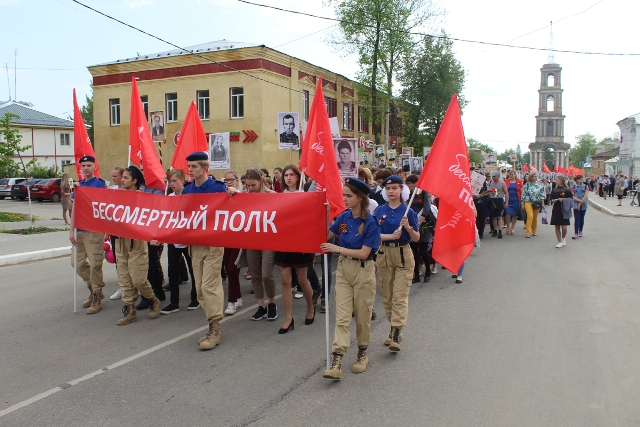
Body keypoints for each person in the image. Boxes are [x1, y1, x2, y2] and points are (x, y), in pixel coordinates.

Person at [321, 178, 381, 380]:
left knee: (362, 317)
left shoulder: (370, 222)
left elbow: (365, 253)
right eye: (344, 195)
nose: (344, 199)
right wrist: (326, 214)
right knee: (342, 317)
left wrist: (337, 248)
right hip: (344, 270)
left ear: (360, 198)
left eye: (348, 195)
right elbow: (325, 236)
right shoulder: (343, 217)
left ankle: (362, 352)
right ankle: (337, 360)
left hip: (363, 271)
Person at [182, 152, 228, 350]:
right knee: (200, 289)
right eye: (189, 166)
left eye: (193, 167)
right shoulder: (187, 190)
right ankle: (211, 325)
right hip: (196, 244)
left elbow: (233, 208)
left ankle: (215, 329)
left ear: (204, 168)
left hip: (213, 243)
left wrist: (233, 194)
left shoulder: (218, 188)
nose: (190, 170)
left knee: (210, 286)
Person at [374, 175, 420, 352]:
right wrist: (389, 236)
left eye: (395, 188)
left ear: (402, 189)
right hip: (384, 254)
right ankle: (394, 326)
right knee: (387, 296)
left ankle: (395, 332)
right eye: (388, 188)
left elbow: (415, 238)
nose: (391, 191)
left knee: (400, 296)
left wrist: (408, 227)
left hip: (403, 254)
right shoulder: (379, 211)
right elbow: (374, 235)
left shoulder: (408, 211)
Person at [229, 168, 278, 322]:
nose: (249, 188)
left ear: (261, 182)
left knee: (266, 274)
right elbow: (232, 198)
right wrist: (231, 191)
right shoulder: (244, 196)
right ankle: (261, 306)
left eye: (253, 185)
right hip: (251, 240)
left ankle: (271, 304)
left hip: (268, 240)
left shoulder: (273, 196)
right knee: (255, 275)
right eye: (247, 185)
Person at [115, 166, 162, 325]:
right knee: (125, 279)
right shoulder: (115, 196)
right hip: (121, 242)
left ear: (135, 181)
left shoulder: (143, 198)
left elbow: (153, 218)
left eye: (126, 178)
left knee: (138, 280)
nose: (122, 180)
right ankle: (130, 310)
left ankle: (152, 300)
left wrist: (155, 235)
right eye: (122, 177)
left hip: (137, 243)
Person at [68, 155, 107, 315]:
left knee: (95, 264)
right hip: (79, 230)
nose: (86, 168)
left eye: (89, 165)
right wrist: (71, 230)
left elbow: (102, 205)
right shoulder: (79, 186)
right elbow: (74, 209)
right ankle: (93, 288)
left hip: (94, 231)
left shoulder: (100, 184)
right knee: (76, 263)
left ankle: (97, 296)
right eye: (83, 165)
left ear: (94, 166)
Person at [159, 169, 198, 314]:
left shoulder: (190, 194)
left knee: (193, 270)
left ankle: (195, 298)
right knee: (173, 270)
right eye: (170, 181)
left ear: (183, 180)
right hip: (174, 239)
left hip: (188, 239)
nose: (172, 184)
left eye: (175, 181)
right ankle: (174, 302)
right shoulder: (169, 197)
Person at [222, 170, 244, 315]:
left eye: (231, 179)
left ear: (237, 180)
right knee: (227, 267)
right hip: (225, 237)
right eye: (226, 180)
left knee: (232, 268)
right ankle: (238, 296)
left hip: (238, 238)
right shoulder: (221, 197)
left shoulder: (241, 196)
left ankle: (232, 302)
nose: (228, 182)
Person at [550, 175, 573, 248]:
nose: (556, 181)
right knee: (557, 226)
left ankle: (563, 238)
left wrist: (563, 200)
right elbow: (552, 198)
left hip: (564, 209)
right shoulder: (554, 190)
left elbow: (571, 199)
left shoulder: (567, 190)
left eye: (557, 180)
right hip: (556, 208)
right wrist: (553, 200)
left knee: (564, 227)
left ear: (561, 180)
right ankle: (559, 241)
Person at [521, 172, 545, 238]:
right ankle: (528, 232)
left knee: (534, 217)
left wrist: (543, 203)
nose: (535, 177)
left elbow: (542, 195)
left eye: (536, 176)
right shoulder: (527, 185)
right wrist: (522, 204)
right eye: (534, 176)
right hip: (528, 202)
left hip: (536, 203)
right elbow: (523, 195)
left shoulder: (539, 184)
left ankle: (534, 230)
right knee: (530, 216)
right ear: (531, 177)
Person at [488, 171, 508, 238]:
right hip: (492, 200)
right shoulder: (490, 182)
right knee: (493, 217)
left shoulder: (502, 183)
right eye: (492, 176)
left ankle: (500, 231)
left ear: (498, 176)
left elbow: (506, 193)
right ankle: (495, 230)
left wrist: (506, 202)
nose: (493, 178)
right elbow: (488, 191)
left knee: (499, 217)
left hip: (499, 200)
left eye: (494, 176)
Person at [504, 170, 523, 235]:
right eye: (510, 174)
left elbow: (521, 191)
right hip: (508, 200)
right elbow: (504, 190)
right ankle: (508, 227)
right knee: (508, 213)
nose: (511, 176)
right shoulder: (507, 181)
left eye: (512, 174)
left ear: (515, 175)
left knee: (514, 215)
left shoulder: (519, 181)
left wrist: (522, 200)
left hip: (516, 200)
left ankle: (512, 228)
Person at [571, 174, 589, 239]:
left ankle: (580, 231)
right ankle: (576, 233)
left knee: (581, 218)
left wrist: (580, 203)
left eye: (583, 179)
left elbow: (586, 196)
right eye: (581, 179)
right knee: (577, 219)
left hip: (583, 204)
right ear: (577, 180)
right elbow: (572, 196)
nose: (582, 180)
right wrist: (578, 200)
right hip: (575, 204)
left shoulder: (585, 186)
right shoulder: (574, 187)